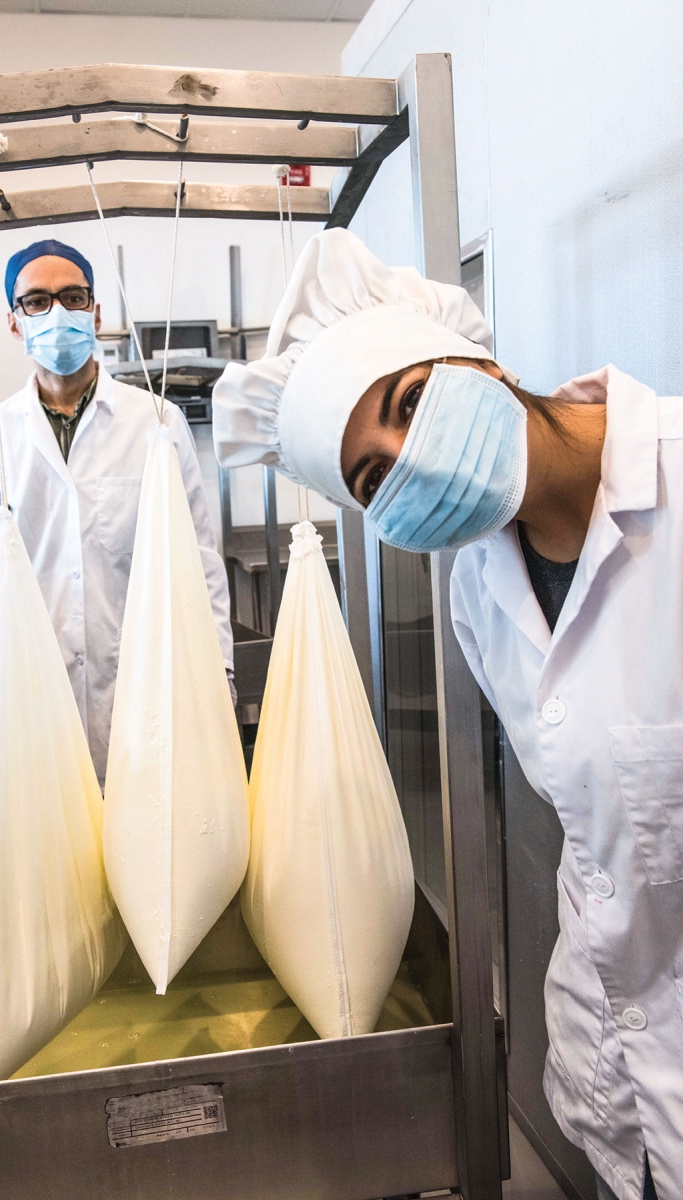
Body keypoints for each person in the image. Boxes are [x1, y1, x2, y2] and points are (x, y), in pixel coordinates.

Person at [212, 228, 674, 1200]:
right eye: (372, 478)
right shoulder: (479, 592)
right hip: (615, 1081)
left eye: (409, 402)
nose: (409, 457)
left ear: (479, 363)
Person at [0, 238, 233, 785]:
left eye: (72, 297)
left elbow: (200, 558)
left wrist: (220, 669)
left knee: (147, 817)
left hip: (142, 676)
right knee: (49, 819)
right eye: (37, 301)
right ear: (15, 322)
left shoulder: (156, 420)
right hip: (32, 682)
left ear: (96, 312)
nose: (58, 312)